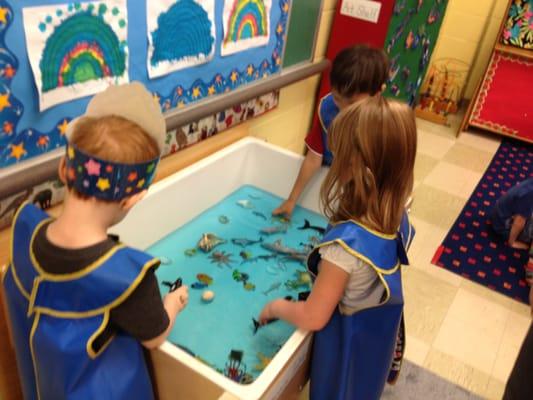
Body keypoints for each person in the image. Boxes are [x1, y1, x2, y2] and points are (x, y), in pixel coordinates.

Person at [1, 83, 189, 400]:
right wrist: (174, 302)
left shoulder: (26, 232)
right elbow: (154, 337)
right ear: (132, 199)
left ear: (64, 168)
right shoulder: (128, 276)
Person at [259, 95, 417, 399]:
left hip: (346, 343)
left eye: (339, 152)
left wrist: (275, 307)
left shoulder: (344, 250)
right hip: (376, 336)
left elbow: (313, 317)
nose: (333, 156)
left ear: (360, 168)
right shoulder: (397, 213)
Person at [273, 45, 389, 219]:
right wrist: (291, 200)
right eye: (337, 98)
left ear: (378, 93)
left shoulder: (384, 126)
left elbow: (382, 182)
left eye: (351, 103)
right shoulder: (327, 110)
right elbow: (313, 159)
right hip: (333, 183)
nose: (343, 109)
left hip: (364, 196)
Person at [491, 178, 533, 309]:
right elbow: (519, 222)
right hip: (505, 226)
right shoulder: (529, 195)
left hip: (507, 215)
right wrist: (512, 242)